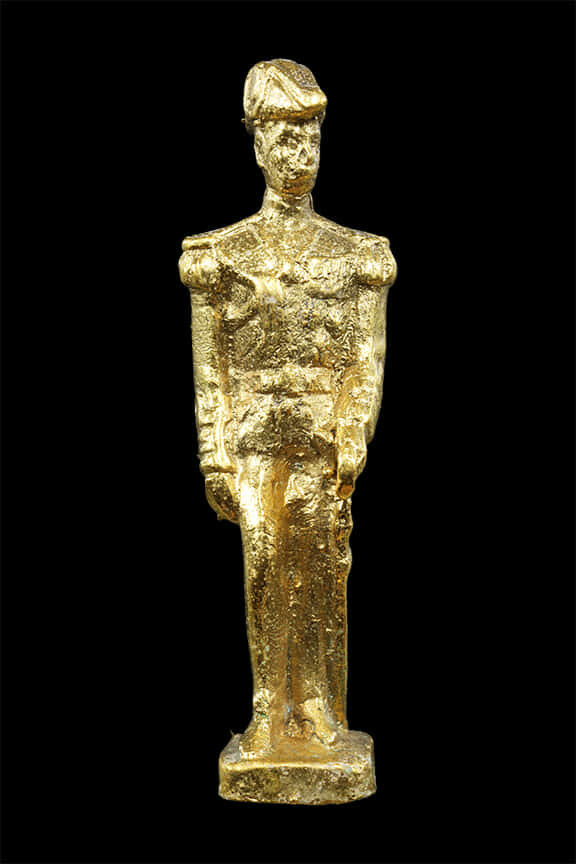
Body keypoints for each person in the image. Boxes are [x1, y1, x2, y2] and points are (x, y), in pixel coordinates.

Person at [179, 59, 397, 790]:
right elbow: (211, 367)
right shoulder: (222, 254)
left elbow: (365, 360)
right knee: (266, 569)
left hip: (322, 446)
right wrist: (214, 454)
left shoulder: (355, 254)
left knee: (323, 572)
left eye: (311, 139)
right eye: (285, 139)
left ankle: (320, 712)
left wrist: (354, 432)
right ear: (258, 145)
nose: (300, 154)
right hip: (252, 444)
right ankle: (268, 711)